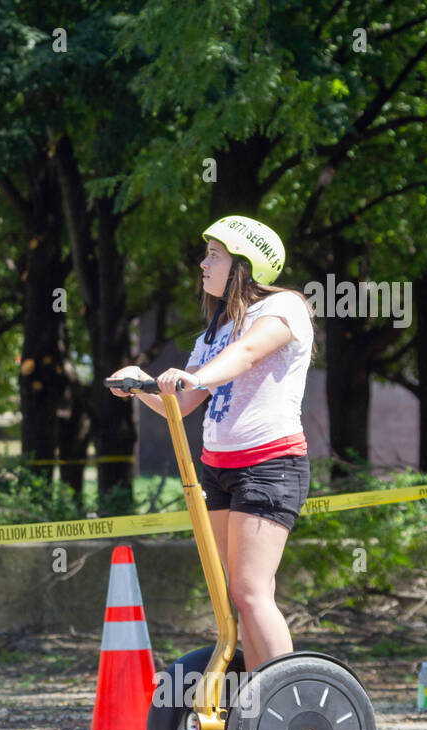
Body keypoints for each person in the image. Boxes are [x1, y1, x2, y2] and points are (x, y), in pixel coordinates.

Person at [111, 215, 313, 671]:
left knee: (249, 590)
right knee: (237, 595)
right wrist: (142, 385)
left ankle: (287, 693)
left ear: (245, 263)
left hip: (270, 464)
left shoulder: (284, 308)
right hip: (218, 467)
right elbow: (180, 405)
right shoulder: (216, 331)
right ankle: (261, 702)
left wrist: (194, 376)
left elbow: (244, 356)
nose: (203, 265)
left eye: (214, 255)